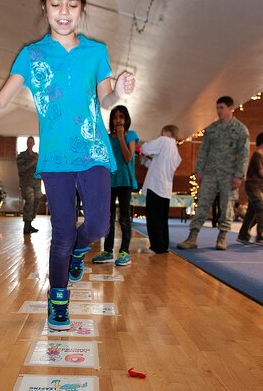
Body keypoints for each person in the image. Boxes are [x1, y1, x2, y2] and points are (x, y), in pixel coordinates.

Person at [0, 0, 134, 330]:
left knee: (97, 223)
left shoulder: (96, 52)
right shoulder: (31, 56)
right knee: (62, 231)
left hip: (93, 151)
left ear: (82, 9)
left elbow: (107, 99)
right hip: (56, 158)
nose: (64, 12)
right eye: (56, 4)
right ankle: (58, 298)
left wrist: (120, 90)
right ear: (44, 7)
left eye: (72, 5)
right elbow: (2, 101)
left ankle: (81, 250)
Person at [177, 96, 249, 251]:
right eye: (217, 108)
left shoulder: (240, 130)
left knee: (226, 207)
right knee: (202, 204)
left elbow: (243, 154)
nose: (219, 111)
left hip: (229, 176)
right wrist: (199, 171)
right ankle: (192, 237)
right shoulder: (211, 129)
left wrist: (239, 175)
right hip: (210, 173)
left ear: (231, 108)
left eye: (222, 108)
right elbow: (203, 151)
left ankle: (222, 237)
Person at [92, 105, 138, 266]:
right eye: (115, 117)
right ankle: (108, 251)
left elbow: (128, 157)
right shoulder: (106, 137)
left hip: (124, 180)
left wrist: (120, 137)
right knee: (108, 217)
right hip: (108, 181)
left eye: (121, 117)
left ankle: (124, 252)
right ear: (112, 120)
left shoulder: (131, 135)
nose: (118, 120)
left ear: (126, 120)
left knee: (124, 217)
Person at [141, 125, 182, 253]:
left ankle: (156, 246)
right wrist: (148, 161)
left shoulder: (164, 141)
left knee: (153, 218)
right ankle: (163, 245)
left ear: (167, 132)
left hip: (155, 187)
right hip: (165, 189)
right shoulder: (175, 150)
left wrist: (145, 152)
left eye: (161, 132)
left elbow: (145, 147)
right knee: (162, 219)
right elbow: (161, 167)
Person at [237, 132, 263, 246]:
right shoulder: (258, 154)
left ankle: (243, 236)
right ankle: (261, 236)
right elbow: (261, 173)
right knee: (261, 209)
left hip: (257, 188)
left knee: (251, 213)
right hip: (254, 187)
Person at [17, 136, 42, 234]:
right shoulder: (22, 156)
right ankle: (26, 225)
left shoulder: (37, 155)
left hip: (36, 183)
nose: (30, 143)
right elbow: (21, 169)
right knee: (30, 200)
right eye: (28, 142)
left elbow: (40, 168)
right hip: (26, 183)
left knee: (36, 201)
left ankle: (30, 222)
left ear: (34, 143)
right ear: (27, 143)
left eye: (32, 142)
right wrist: (33, 162)